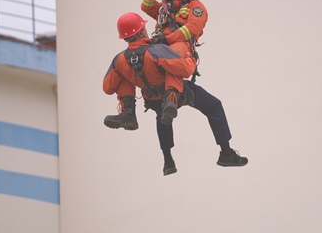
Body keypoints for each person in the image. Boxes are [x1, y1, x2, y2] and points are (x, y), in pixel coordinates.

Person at [103, 12, 248, 176]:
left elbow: (108, 87)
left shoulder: (119, 60)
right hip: (179, 93)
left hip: (153, 100)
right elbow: (185, 69)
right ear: (140, 31)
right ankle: (226, 153)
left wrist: (130, 73)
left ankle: (167, 160)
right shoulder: (157, 51)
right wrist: (191, 57)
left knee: (160, 116)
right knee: (214, 106)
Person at [141, 0, 207, 110]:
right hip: (160, 44)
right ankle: (128, 107)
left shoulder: (196, 7)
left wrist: (167, 39)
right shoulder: (167, 6)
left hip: (181, 45)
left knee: (173, 55)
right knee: (132, 56)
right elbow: (147, 5)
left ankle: (171, 96)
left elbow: (191, 29)